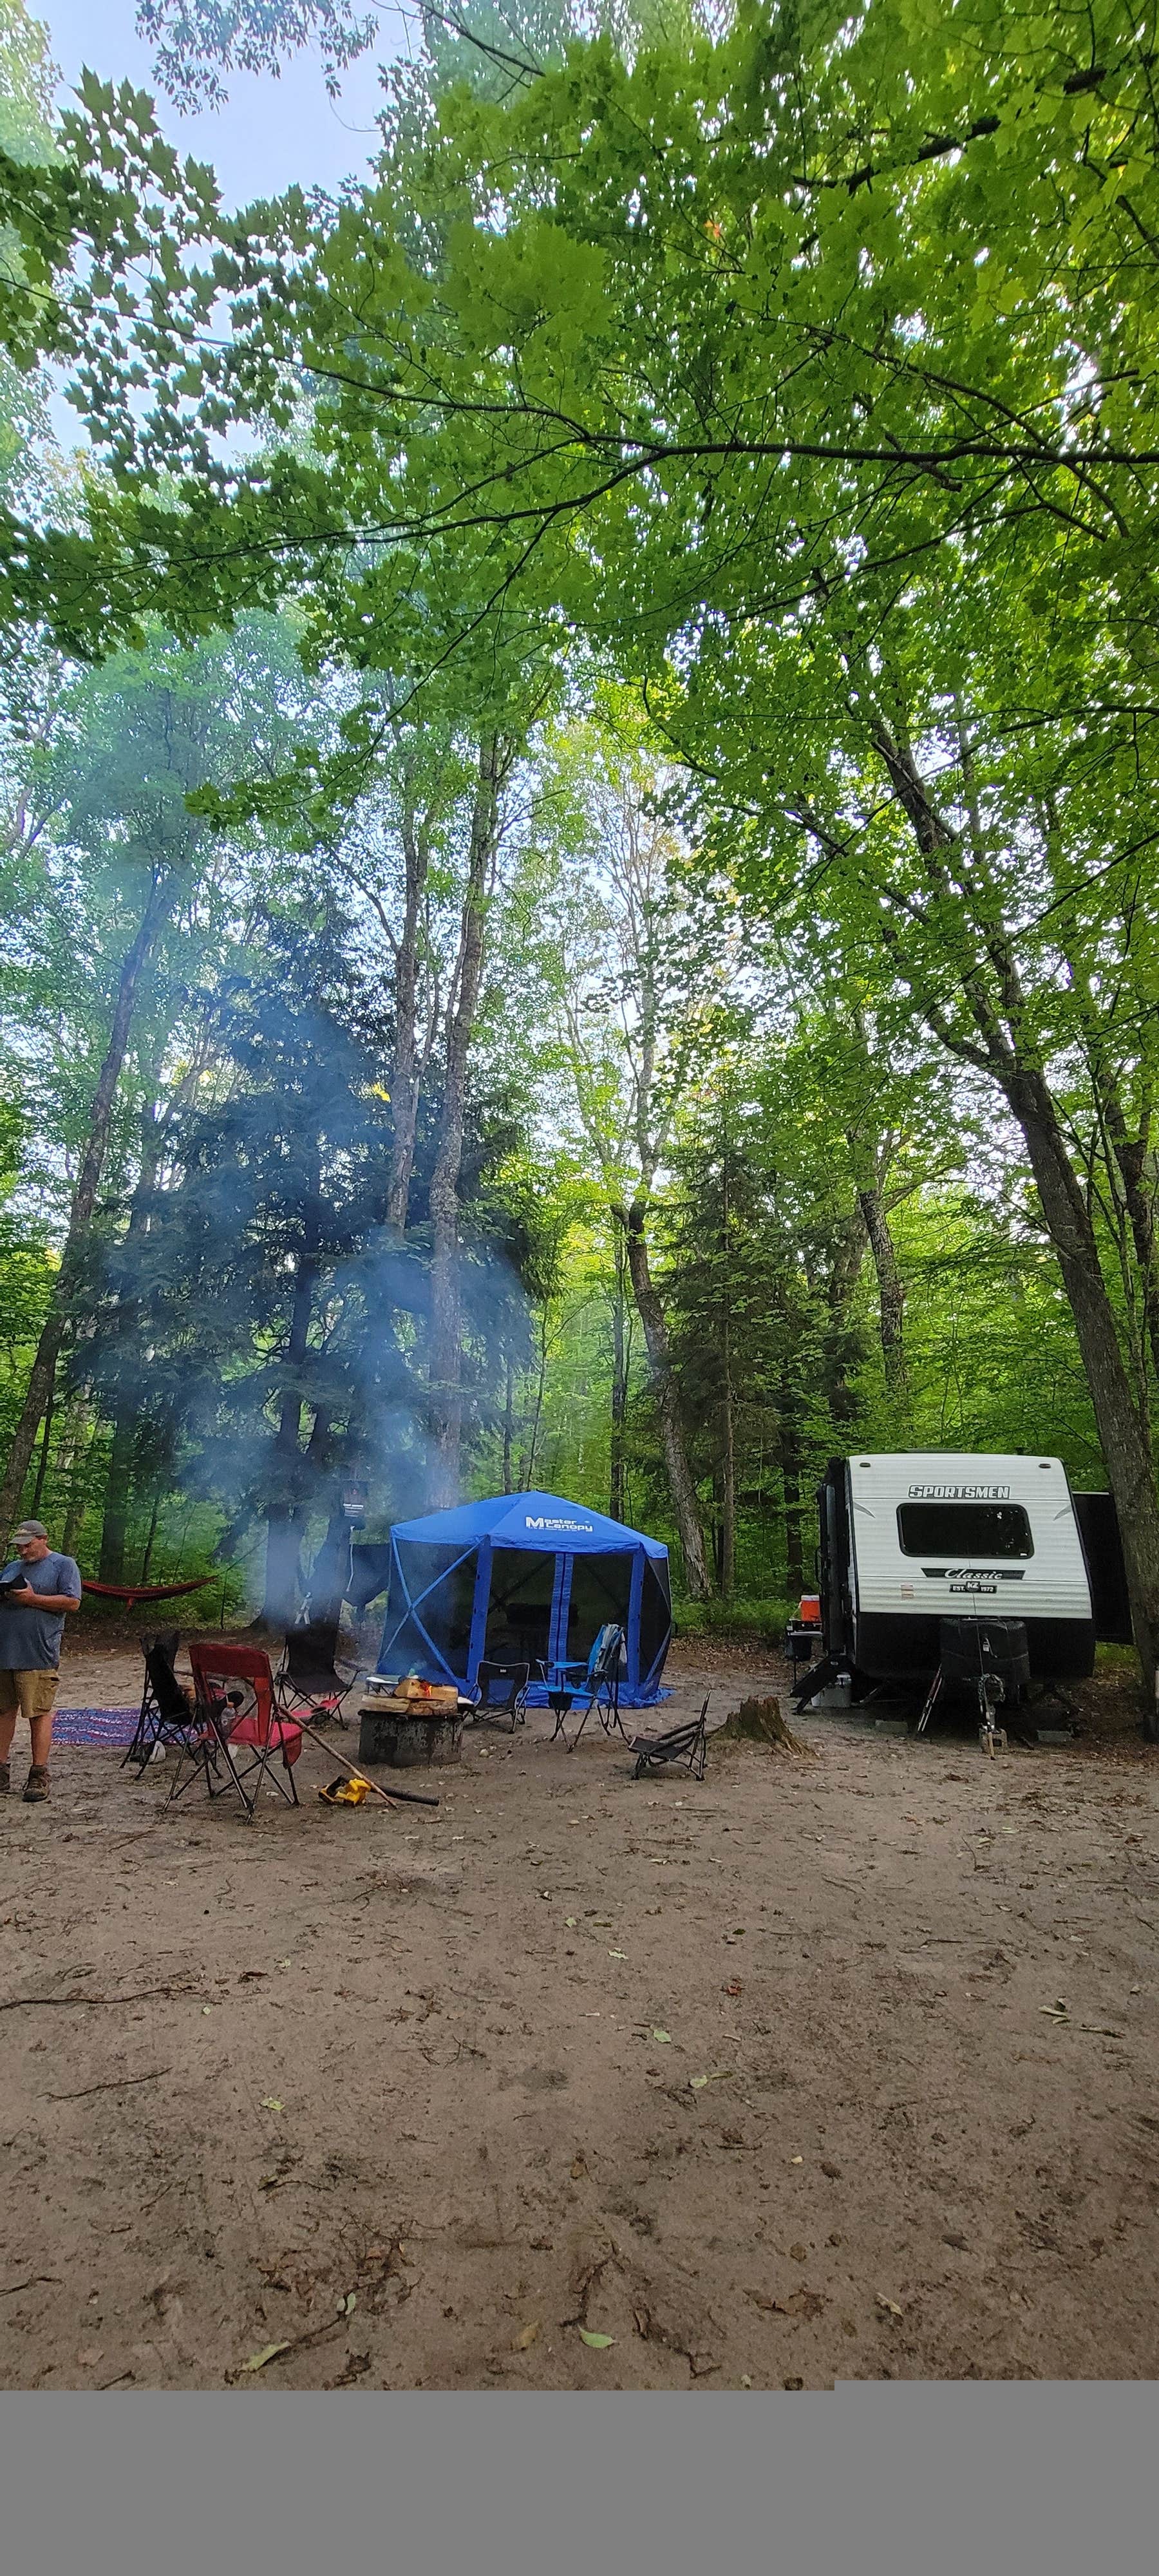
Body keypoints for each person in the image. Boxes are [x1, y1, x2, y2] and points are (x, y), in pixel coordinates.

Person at [0, 1520, 82, 1803]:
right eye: (19, 1546)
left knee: (38, 1712)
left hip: (38, 1652)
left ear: (43, 1539)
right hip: (5, 1652)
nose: (22, 1550)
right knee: (3, 1711)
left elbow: (73, 1603)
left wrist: (33, 1599)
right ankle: (1, 1770)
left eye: (27, 1544)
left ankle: (39, 1773)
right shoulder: (12, 1568)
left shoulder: (63, 1565)